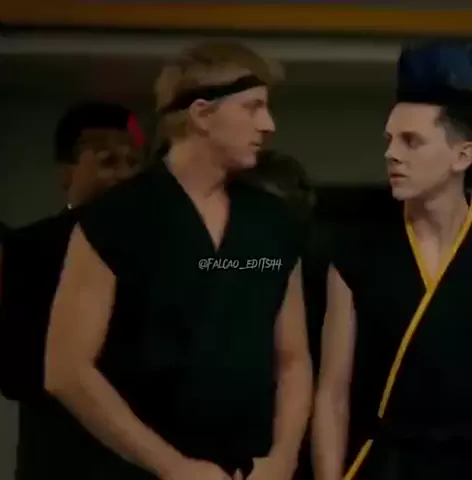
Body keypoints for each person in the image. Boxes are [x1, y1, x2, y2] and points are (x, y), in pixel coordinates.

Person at [45, 41, 312, 480]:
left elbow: (293, 358)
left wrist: (283, 458)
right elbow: (66, 370)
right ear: (202, 114)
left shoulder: (275, 223)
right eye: (253, 108)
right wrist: (173, 468)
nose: (268, 125)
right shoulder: (115, 219)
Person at [312, 41, 472, 480]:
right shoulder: (357, 247)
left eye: (411, 141)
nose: (391, 154)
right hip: (387, 465)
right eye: (389, 140)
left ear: (462, 156)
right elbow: (332, 393)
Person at [0, 101, 145, 479]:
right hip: (61, 460)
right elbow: (14, 373)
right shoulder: (31, 247)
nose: (125, 175)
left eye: (133, 163)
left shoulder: (163, 247)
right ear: (66, 172)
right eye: (108, 161)